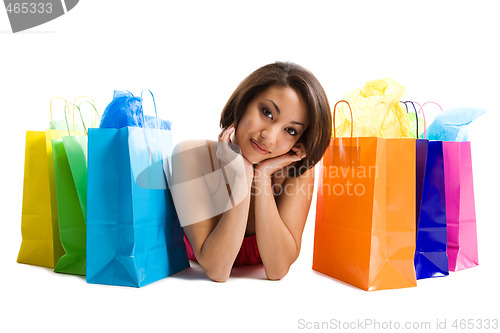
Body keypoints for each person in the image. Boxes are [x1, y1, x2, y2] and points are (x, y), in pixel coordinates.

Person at [169, 62, 332, 282]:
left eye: (290, 130)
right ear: (244, 102)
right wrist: (242, 174)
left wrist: (262, 175)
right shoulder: (190, 155)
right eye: (267, 113)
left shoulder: (297, 172)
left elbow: (277, 270)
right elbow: (217, 270)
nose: (270, 136)